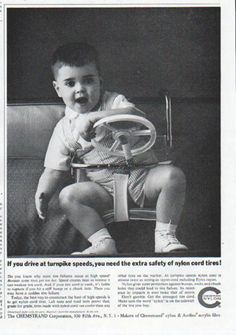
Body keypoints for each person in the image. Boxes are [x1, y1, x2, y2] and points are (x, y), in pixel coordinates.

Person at [35, 42, 188, 255]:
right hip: (103, 191)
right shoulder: (64, 129)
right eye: (70, 83)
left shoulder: (114, 102)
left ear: (100, 82)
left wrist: (95, 117)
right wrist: (43, 193)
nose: (80, 89)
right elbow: (53, 170)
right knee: (69, 196)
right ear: (58, 89)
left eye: (88, 80)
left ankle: (164, 235)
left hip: (142, 179)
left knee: (173, 176)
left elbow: (135, 115)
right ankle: (102, 242)